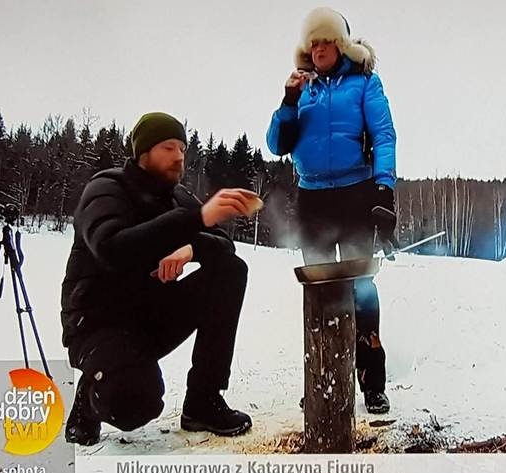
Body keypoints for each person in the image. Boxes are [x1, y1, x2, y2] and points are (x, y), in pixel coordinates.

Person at [61, 112, 260, 446]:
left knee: (230, 270)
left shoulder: (177, 197)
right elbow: (111, 248)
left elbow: (224, 244)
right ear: (143, 153)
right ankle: (90, 397)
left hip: (149, 318)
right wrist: (195, 219)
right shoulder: (106, 188)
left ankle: (203, 402)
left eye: (182, 148)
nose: (179, 156)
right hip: (96, 324)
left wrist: (191, 247)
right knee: (137, 402)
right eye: (168, 147)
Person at [266, 7, 398, 414]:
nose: (318, 48)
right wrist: (288, 101)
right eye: (313, 42)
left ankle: (372, 381)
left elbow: (384, 135)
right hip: (313, 200)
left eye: (325, 40)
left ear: (339, 45)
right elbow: (277, 143)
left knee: (360, 286)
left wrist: (384, 189)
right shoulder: (301, 88)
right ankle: (323, 381)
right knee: (320, 291)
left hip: (356, 193)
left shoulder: (364, 84)